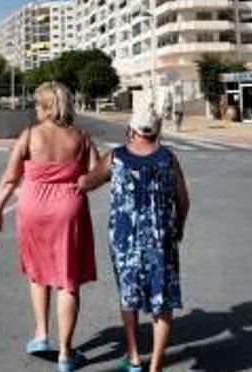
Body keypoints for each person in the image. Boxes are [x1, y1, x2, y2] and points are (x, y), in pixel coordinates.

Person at [0, 82, 100, 372]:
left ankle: (40, 335)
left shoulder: (29, 136)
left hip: (32, 206)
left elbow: (10, 178)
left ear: (49, 106)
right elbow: (98, 174)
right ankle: (65, 354)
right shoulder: (81, 137)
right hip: (68, 208)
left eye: (38, 104)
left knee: (38, 273)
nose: (35, 109)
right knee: (68, 280)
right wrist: (79, 183)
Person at [80, 111, 190, 372]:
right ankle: (156, 366)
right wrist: (179, 227)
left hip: (125, 240)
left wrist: (84, 169)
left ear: (131, 129)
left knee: (128, 296)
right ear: (157, 129)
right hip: (160, 239)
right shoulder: (168, 159)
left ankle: (133, 356)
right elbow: (183, 201)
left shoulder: (116, 157)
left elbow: (87, 183)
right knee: (161, 301)